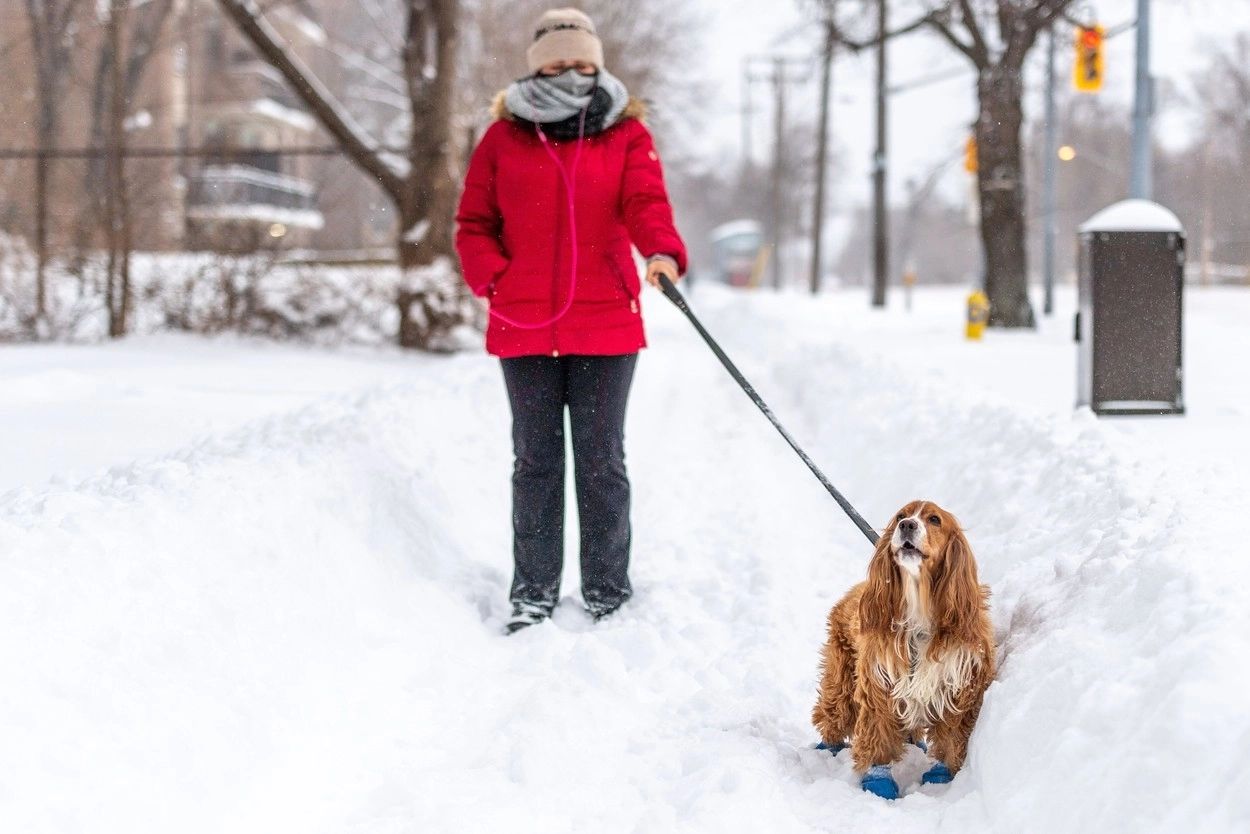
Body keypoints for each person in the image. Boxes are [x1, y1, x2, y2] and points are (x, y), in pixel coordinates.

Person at [454, 7, 687, 635]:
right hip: (523, 322)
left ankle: (608, 589)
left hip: (607, 324)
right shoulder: (503, 139)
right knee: (535, 461)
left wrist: (661, 251)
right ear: (537, 66)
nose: (572, 73)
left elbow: (645, 202)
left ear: (598, 61)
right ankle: (533, 591)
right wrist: (493, 277)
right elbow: (473, 223)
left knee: (601, 460)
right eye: (558, 63)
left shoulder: (624, 133)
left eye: (582, 62)